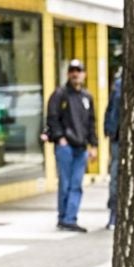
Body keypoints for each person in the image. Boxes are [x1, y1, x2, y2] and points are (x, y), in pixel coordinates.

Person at [41, 59, 97, 232]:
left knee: (76, 184)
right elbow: (52, 117)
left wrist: (93, 145)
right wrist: (59, 137)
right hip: (65, 145)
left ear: (84, 74)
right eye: (72, 70)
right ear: (68, 74)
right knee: (65, 183)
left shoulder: (86, 97)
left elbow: (90, 122)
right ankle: (64, 217)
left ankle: (70, 218)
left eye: (78, 71)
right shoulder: (60, 94)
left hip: (81, 147)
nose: (75, 74)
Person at [102, 69, 122, 229]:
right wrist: (109, 130)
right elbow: (110, 109)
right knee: (115, 177)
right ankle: (113, 213)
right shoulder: (118, 84)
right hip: (117, 138)